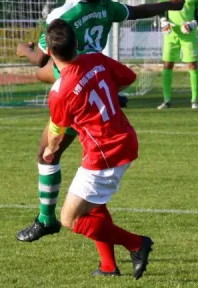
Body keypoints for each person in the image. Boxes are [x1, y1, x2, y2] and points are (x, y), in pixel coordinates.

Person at [15, 0, 184, 243]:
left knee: (48, 152)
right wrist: (168, 6)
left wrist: (23, 50)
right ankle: (107, 263)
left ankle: (46, 219)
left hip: (73, 90)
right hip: (97, 80)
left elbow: (42, 57)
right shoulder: (106, 7)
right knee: (91, 176)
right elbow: (136, 11)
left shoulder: (62, 16)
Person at [44, 19, 153, 279]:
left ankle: (136, 244)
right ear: (77, 43)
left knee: (70, 219)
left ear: (49, 52)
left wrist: (50, 150)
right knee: (93, 205)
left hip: (104, 154)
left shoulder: (60, 91)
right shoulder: (95, 59)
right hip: (123, 138)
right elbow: (128, 77)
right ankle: (107, 266)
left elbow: (57, 133)